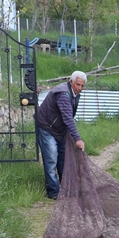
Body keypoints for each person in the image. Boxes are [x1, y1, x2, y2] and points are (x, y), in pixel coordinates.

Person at [34, 71, 86, 199]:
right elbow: (68, 118)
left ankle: (65, 188)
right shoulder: (63, 94)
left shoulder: (75, 93)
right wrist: (77, 139)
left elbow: (68, 116)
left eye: (82, 85)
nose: (79, 88)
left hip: (60, 129)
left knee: (63, 159)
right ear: (71, 82)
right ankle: (54, 192)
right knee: (51, 159)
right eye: (77, 84)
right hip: (48, 127)